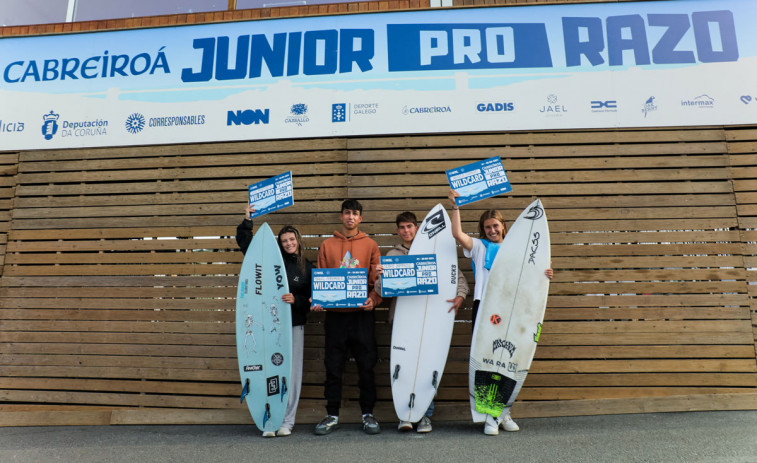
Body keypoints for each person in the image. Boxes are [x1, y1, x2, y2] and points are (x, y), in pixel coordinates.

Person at [447, 190, 553, 436]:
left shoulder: (520, 251)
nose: (491, 230)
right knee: (488, 362)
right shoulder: (479, 248)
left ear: (504, 226)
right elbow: (457, 234)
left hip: (515, 312)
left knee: (510, 362)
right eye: (487, 227)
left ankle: (502, 412)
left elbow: (532, 278)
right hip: (486, 310)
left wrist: (546, 275)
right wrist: (455, 207)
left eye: (495, 226)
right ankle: (490, 418)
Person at [375, 211, 469, 433]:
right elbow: (381, 291)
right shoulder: (392, 255)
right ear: (397, 231)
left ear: (416, 228)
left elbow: (458, 279)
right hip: (404, 322)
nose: (406, 231)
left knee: (428, 367)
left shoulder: (435, 252)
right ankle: (404, 414)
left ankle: (425, 415)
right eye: (402, 227)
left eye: (410, 226)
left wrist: (460, 297)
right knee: (404, 366)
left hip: (431, 321)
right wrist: (380, 276)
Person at [236, 205, 313, 438]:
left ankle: (287, 421)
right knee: (267, 370)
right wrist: (247, 221)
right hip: (268, 327)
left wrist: (296, 300)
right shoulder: (270, 261)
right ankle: (269, 418)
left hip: (294, 326)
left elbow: (313, 300)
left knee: (292, 373)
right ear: (279, 243)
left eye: (292, 239)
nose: (289, 243)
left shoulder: (306, 267)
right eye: (284, 240)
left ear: (298, 241)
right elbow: (246, 244)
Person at [311, 199, 383, 436]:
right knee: (332, 367)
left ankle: (368, 414)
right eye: (346, 213)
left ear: (360, 218)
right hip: (335, 318)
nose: (350, 217)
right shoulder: (326, 245)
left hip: (362, 317)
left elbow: (376, 281)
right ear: (341, 217)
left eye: (355, 213)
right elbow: (320, 280)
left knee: (366, 366)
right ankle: (331, 414)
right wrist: (318, 300)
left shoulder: (371, 244)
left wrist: (373, 298)